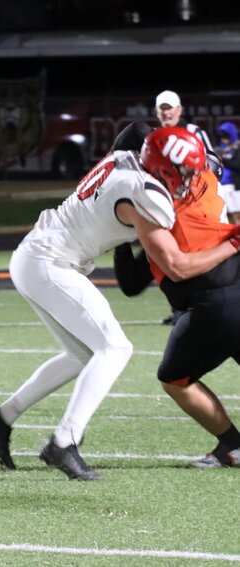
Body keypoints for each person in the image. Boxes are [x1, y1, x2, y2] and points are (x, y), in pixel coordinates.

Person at [0, 126, 240, 480]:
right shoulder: (144, 191)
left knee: (83, 355)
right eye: (186, 171)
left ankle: (1, 417)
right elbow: (175, 266)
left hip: (38, 257)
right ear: (161, 168)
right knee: (115, 348)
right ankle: (63, 442)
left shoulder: (124, 160)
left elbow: (133, 134)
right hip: (50, 263)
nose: (192, 179)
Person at [111, 128, 240, 469]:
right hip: (233, 284)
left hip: (215, 301)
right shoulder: (208, 177)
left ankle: (233, 445)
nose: (189, 175)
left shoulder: (161, 209)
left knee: (175, 378)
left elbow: (137, 281)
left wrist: (120, 233)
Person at [155, 88, 225, 323]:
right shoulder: (154, 137)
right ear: (157, 111)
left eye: (170, 108)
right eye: (162, 109)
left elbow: (213, 164)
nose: (166, 113)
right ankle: (181, 309)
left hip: (196, 205)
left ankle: (206, 305)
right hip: (167, 205)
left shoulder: (194, 133)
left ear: (179, 110)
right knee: (169, 256)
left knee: (200, 254)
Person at [215, 121, 240, 223]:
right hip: (222, 186)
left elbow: (238, 165)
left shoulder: (238, 148)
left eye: (226, 137)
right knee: (227, 214)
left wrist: (224, 160)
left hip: (235, 187)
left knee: (237, 214)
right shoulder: (220, 149)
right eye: (222, 137)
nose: (224, 140)